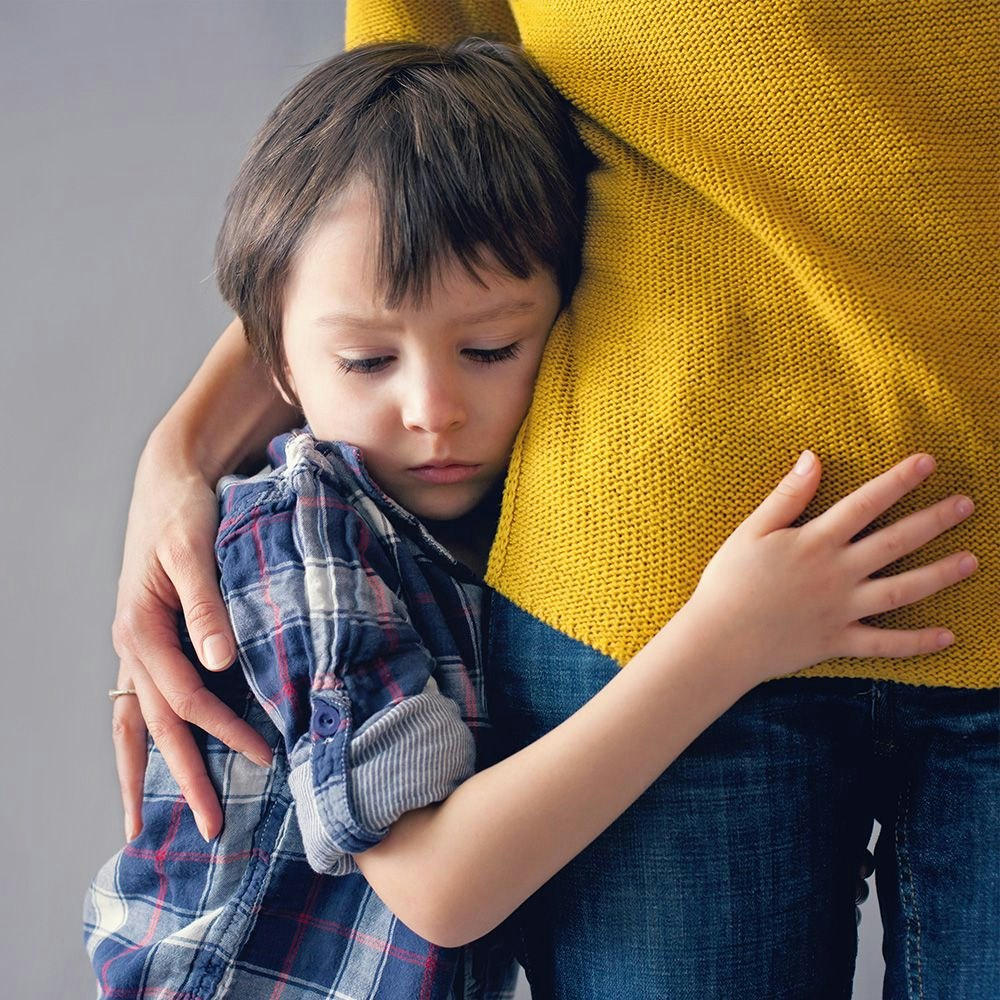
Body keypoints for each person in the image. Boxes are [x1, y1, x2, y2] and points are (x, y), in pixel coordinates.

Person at [108, 4, 999, 998]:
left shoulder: (445, 507)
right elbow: (439, 885)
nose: (434, 411)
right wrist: (728, 638)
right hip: (668, 616)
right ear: (280, 360)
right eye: (366, 361)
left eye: (491, 349)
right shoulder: (305, 542)